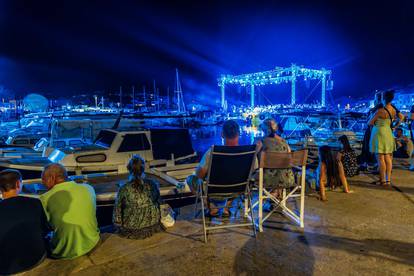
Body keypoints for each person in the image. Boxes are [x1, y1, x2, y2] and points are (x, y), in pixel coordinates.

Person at [40, 163, 100, 259]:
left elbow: (45, 226)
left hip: (64, 252)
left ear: (52, 177)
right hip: (92, 241)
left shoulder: (44, 198)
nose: (42, 183)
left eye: (43, 179)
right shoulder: (88, 188)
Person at [190, 119, 245, 217]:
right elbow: (252, 172)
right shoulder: (247, 153)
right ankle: (226, 208)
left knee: (191, 179)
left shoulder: (212, 152)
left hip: (214, 192)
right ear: (238, 134)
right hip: (237, 191)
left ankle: (211, 207)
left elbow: (199, 173)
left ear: (222, 134)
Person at [0, 169, 50, 275]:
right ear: (18, 184)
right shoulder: (34, 203)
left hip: (5, 267)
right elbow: (45, 229)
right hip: (35, 258)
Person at [113, 155, 163, 239]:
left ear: (129, 169)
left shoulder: (124, 188)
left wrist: (117, 224)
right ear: (143, 169)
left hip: (132, 228)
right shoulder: (152, 184)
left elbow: (116, 211)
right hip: (153, 225)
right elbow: (159, 202)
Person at [369, 90, 405, 186]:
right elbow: (402, 117)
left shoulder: (380, 111)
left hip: (379, 133)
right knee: (388, 157)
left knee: (380, 158)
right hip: (388, 133)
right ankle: (387, 180)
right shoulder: (393, 110)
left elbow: (370, 122)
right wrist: (395, 126)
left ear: (383, 98)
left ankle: (382, 181)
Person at [256, 118, 295, 198]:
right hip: (287, 179)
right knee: (279, 169)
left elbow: (254, 159)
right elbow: (289, 158)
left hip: (267, 180)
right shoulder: (284, 142)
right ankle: (277, 195)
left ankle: (274, 194)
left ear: (264, 129)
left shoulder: (261, 142)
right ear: (276, 128)